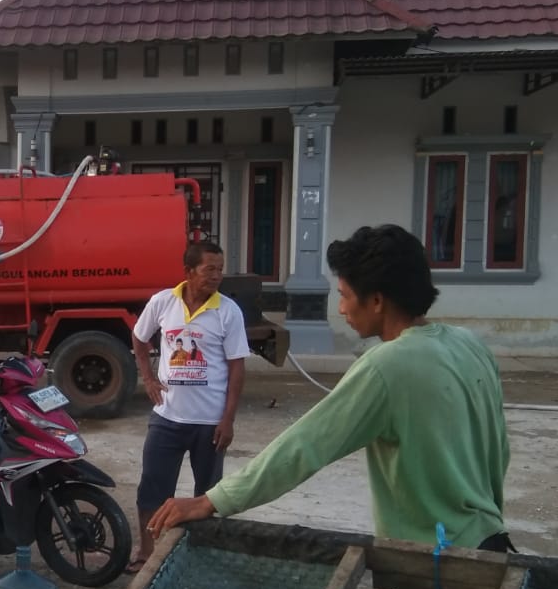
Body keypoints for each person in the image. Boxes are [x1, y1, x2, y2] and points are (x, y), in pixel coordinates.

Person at [149, 224, 512, 551]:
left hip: (436, 559)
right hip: (488, 538)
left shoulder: (387, 366)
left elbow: (305, 446)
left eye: (344, 295)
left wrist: (209, 501)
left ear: (376, 301)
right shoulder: (470, 344)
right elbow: (498, 446)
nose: (340, 309)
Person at [130, 240, 249, 573]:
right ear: (188, 271)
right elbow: (139, 338)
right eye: (209, 269)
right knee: (152, 488)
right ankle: (147, 555)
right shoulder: (163, 302)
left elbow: (237, 367)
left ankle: (202, 557)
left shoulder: (228, 311)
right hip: (167, 417)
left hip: (209, 422)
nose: (216, 276)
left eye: (220, 269)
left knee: (208, 495)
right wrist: (148, 379)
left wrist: (228, 419)